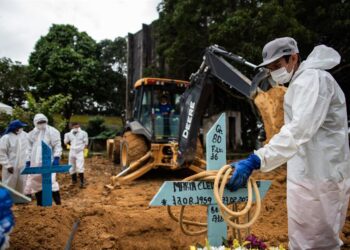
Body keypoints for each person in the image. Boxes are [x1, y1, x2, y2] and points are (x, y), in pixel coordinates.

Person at [227, 37, 350, 249]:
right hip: (310, 173)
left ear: (293, 58)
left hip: (322, 176)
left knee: (318, 242)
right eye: (270, 68)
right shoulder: (301, 82)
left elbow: (298, 130)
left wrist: (257, 159)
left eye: (277, 66)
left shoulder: (312, 81)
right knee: (305, 239)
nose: (274, 72)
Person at [26, 113, 63, 206]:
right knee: (36, 182)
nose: (42, 123)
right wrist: (28, 160)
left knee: (51, 181)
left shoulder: (53, 131)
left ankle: (58, 204)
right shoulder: (31, 134)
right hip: (35, 161)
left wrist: (56, 157)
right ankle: (40, 204)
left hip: (48, 160)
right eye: (39, 122)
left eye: (43, 121)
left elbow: (57, 145)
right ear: (35, 122)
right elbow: (28, 148)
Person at [0, 120, 29, 194]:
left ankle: (21, 198)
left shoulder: (25, 135)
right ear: (15, 128)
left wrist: (28, 161)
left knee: (22, 182)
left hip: (23, 164)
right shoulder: (6, 138)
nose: (21, 129)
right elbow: (1, 152)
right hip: (11, 164)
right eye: (20, 127)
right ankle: (7, 198)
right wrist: (7, 165)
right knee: (9, 182)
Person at [64, 122, 88, 188]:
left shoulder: (83, 133)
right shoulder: (69, 134)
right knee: (71, 166)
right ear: (72, 127)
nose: (76, 128)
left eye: (77, 127)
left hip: (80, 151)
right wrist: (68, 146)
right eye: (75, 127)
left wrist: (85, 152)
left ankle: (82, 182)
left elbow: (86, 143)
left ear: (79, 126)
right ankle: (74, 181)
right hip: (72, 151)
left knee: (80, 167)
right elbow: (65, 142)